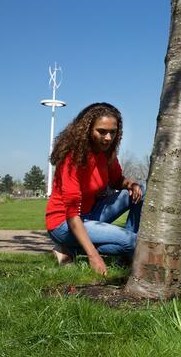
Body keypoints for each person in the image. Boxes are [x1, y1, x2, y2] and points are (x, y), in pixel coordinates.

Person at [45, 102, 145, 275]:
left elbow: (116, 180)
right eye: (102, 131)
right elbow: (71, 214)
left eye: (112, 132)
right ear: (87, 130)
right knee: (133, 242)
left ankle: (124, 253)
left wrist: (131, 185)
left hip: (91, 214)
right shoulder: (73, 159)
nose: (108, 138)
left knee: (143, 188)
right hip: (65, 223)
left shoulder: (107, 154)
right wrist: (93, 256)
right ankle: (73, 249)